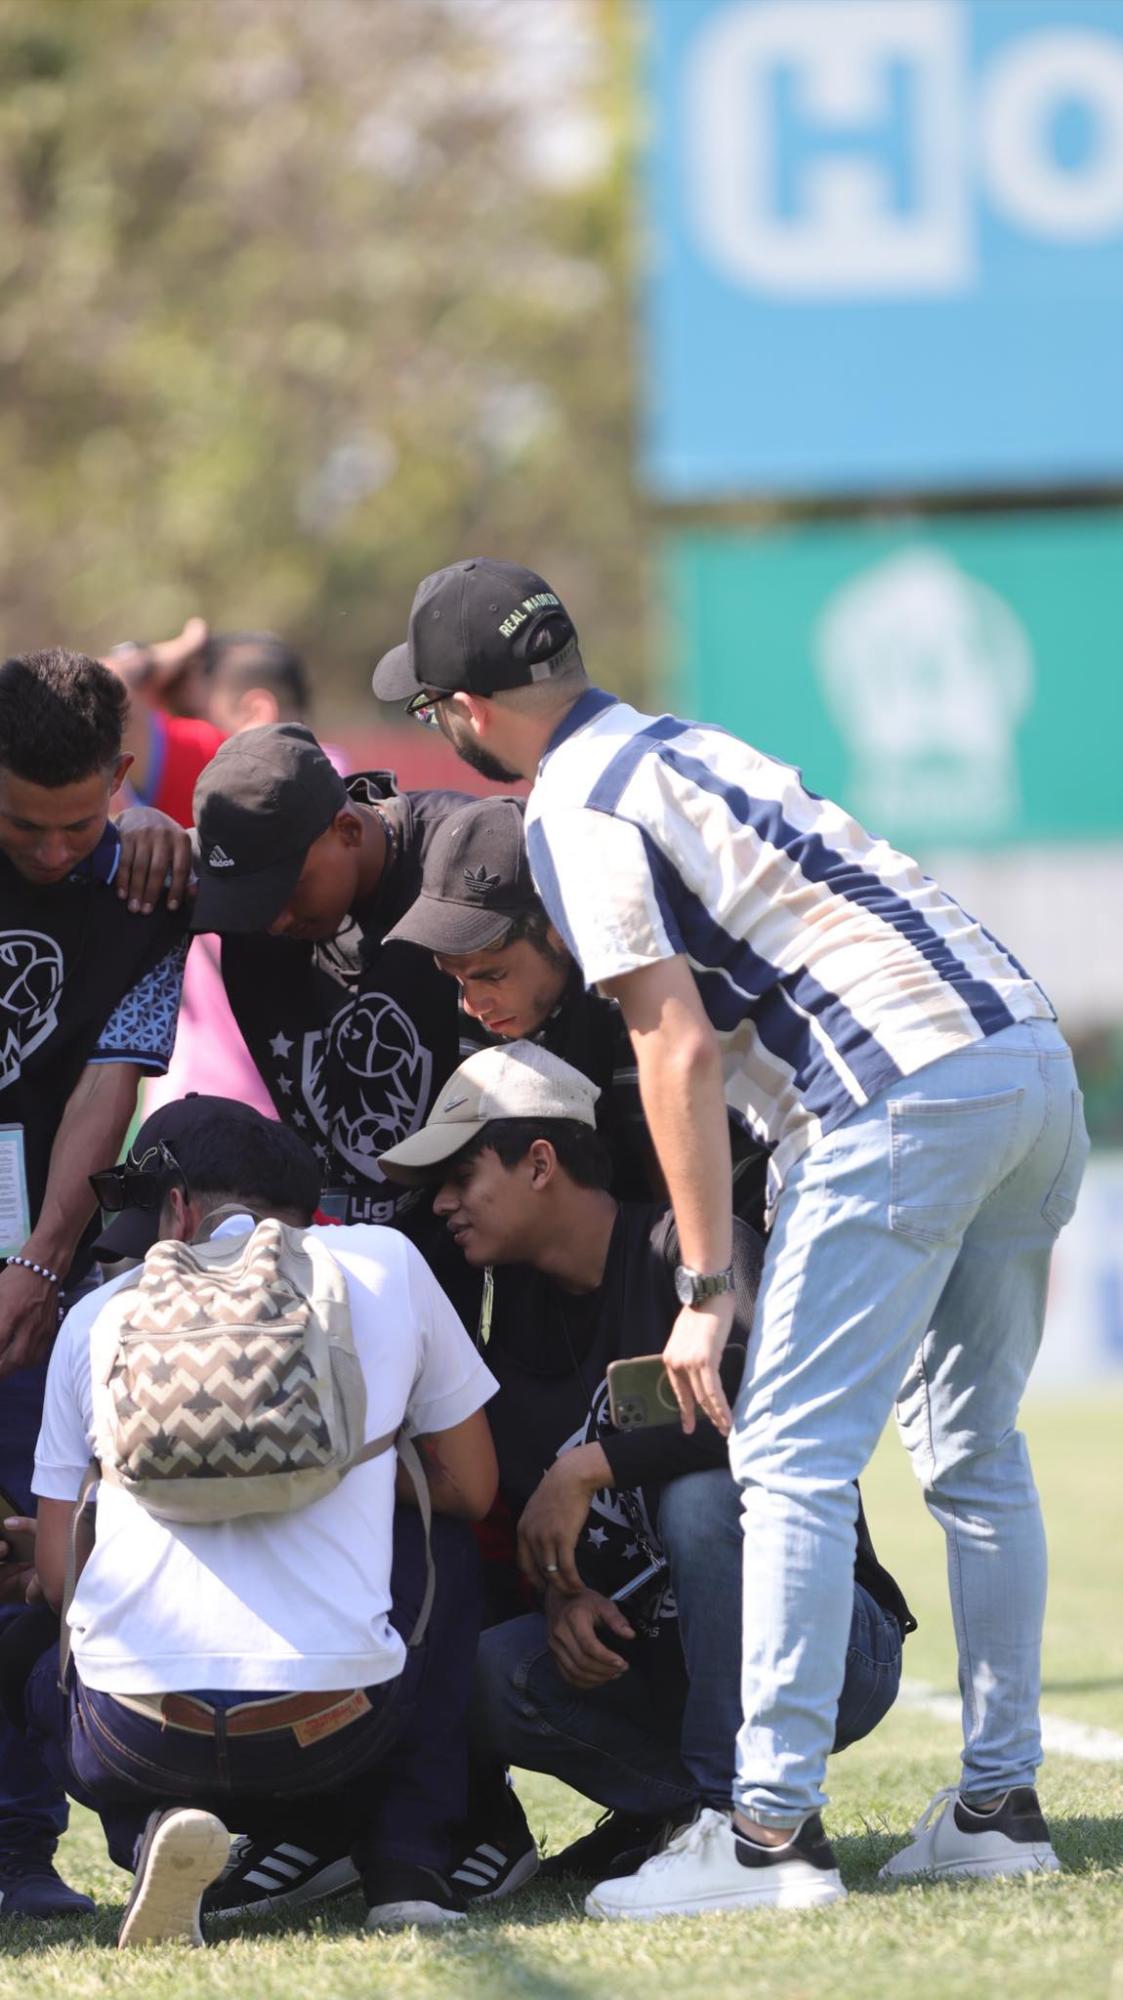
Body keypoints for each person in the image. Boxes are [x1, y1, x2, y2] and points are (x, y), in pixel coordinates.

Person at [373, 557, 1089, 1915]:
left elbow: (672, 1040)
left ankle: (765, 1839)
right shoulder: (680, 740)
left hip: (887, 1095)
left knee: (783, 1464)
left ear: (464, 708)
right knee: (975, 1457)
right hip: (1023, 1060)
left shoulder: (572, 804)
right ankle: (995, 1804)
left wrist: (703, 1281)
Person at [377, 1042, 909, 1907]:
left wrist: (593, 1465)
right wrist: (561, 1598)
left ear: (540, 1163)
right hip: (658, 1658)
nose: (440, 1204)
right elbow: (519, 1504)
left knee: (705, 1501)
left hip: (826, 1643)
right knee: (482, 1675)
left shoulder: (691, 1249)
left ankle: (729, 1815)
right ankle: (676, 1819)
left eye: (458, 1174)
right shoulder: (506, 1311)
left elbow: (771, 1407)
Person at [16, 1099, 498, 1946]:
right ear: (307, 1209)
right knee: (443, 1547)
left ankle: (151, 1830)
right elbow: (472, 1486)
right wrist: (331, 1471)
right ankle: (404, 1864)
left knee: (41, 1651)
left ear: (177, 1209)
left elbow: (60, 1577)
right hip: (334, 1723)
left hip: (136, 1735)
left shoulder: (98, 1316)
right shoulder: (386, 1262)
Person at [0, 648, 190, 1919]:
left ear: (123, 779)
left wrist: (36, 1261)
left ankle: (25, 1853)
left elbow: (102, 1092)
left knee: (31, 1557)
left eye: (81, 819)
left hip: (29, 1267)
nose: (58, 848)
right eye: (22, 821)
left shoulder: (146, 884)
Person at [385, 793, 768, 1222]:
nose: (473, 1005)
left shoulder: (640, 989)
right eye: (458, 979)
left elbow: (678, 1198)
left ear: (560, 929)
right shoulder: (494, 1001)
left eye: (493, 976)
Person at [190, 722, 475, 1239]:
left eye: (286, 892)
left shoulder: (465, 852)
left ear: (347, 830)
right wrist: (142, 828)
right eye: (247, 906)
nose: (272, 922)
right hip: (327, 1256)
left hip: (478, 1242)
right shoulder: (234, 870)